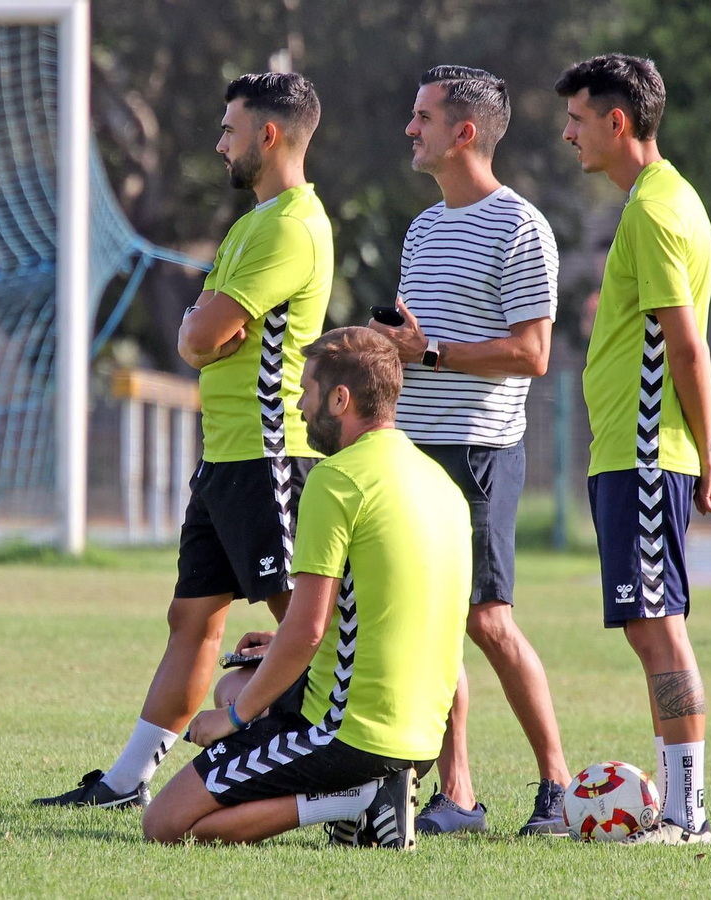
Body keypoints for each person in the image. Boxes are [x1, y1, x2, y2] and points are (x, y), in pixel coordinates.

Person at [34, 73, 332, 809]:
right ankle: (125, 781)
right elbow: (203, 333)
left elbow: (198, 333)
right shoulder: (252, 222)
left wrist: (202, 332)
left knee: (302, 618)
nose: (218, 142)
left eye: (229, 128)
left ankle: (364, 766)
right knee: (193, 619)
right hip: (226, 457)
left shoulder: (291, 225)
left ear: (268, 136)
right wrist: (203, 332)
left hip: (269, 454)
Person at [141, 326, 472, 849]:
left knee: (166, 824)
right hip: (419, 735)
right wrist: (269, 660)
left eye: (307, 390)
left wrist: (232, 719)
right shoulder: (441, 484)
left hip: (349, 734)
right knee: (241, 678)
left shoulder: (336, 479)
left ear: (341, 399)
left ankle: (357, 798)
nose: (296, 404)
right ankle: (367, 793)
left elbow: (307, 629)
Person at [367, 65, 571, 836]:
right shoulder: (423, 227)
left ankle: (555, 786)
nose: (409, 129)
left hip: (480, 449)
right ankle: (457, 793)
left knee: (487, 620)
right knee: (431, 619)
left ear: (464, 132)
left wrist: (431, 354)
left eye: (422, 117)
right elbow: (416, 346)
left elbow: (532, 353)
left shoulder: (521, 226)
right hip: (411, 449)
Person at [555, 53, 711, 846]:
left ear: (618, 122)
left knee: (659, 626)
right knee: (650, 626)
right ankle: (680, 807)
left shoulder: (657, 211)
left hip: (645, 454)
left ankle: (686, 814)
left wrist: (707, 451)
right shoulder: (661, 203)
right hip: (634, 454)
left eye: (576, 120)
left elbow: (688, 345)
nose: (568, 134)